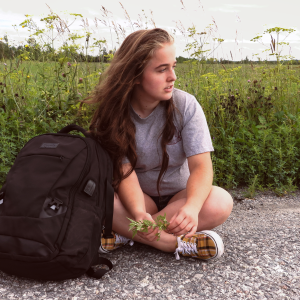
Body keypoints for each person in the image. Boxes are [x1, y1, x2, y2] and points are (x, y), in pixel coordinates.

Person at [87, 28, 233, 261]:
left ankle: (128, 234)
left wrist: (192, 207)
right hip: (137, 199)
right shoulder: (114, 112)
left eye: (173, 66)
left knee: (221, 202)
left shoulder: (186, 105)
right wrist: (137, 212)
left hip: (179, 198)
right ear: (134, 75)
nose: (172, 76)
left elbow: (201, 167)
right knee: (100, 197)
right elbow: (124, 171)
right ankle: (174, 244)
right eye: (162, 69)